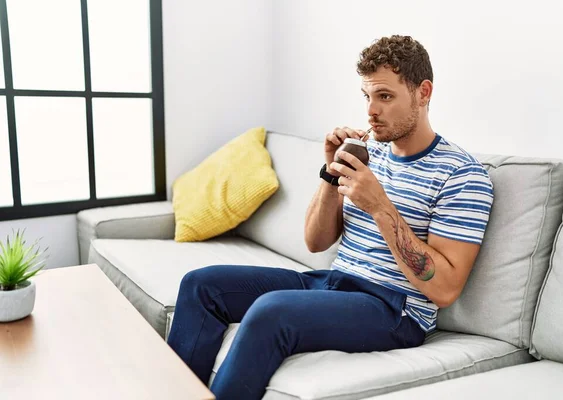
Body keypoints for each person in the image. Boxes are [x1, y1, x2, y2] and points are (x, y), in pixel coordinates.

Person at [167, 35, 494, 400]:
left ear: (423, 92)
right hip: (333, 283)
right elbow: (315, 241)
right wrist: (330, 171)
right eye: (367, 97)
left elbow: (445, 288)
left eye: (384, 96)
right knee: (200, 285)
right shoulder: (371, 154)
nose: (371, 111)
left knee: (271, 311)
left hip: (394, 310)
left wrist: (380, 206)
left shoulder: (462, 175)